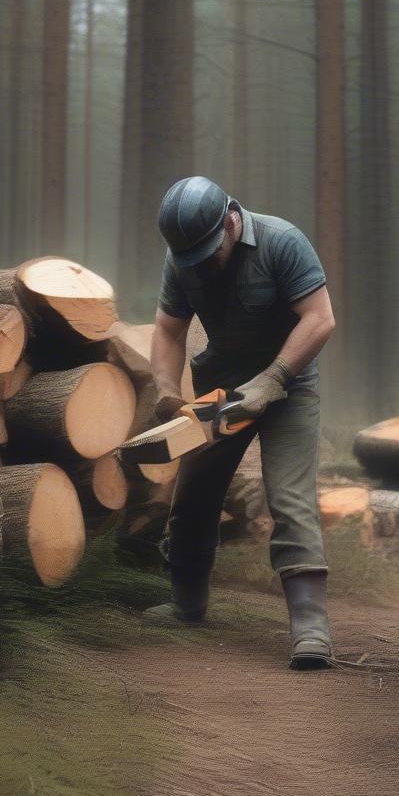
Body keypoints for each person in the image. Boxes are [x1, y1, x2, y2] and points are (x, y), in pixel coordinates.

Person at [143, 175, 337, 670]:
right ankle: (187, 605)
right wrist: (167, 392)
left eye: (208, 253)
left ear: (231, 221)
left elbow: (319, 318)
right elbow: (168, 329)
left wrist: (274, 379)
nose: (201, 265)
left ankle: (311, 629)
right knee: (194, 494)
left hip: (290, 385)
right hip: (222, 385)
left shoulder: (282, 242)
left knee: (290, 497)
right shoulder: (182, 259)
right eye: (192, 258)